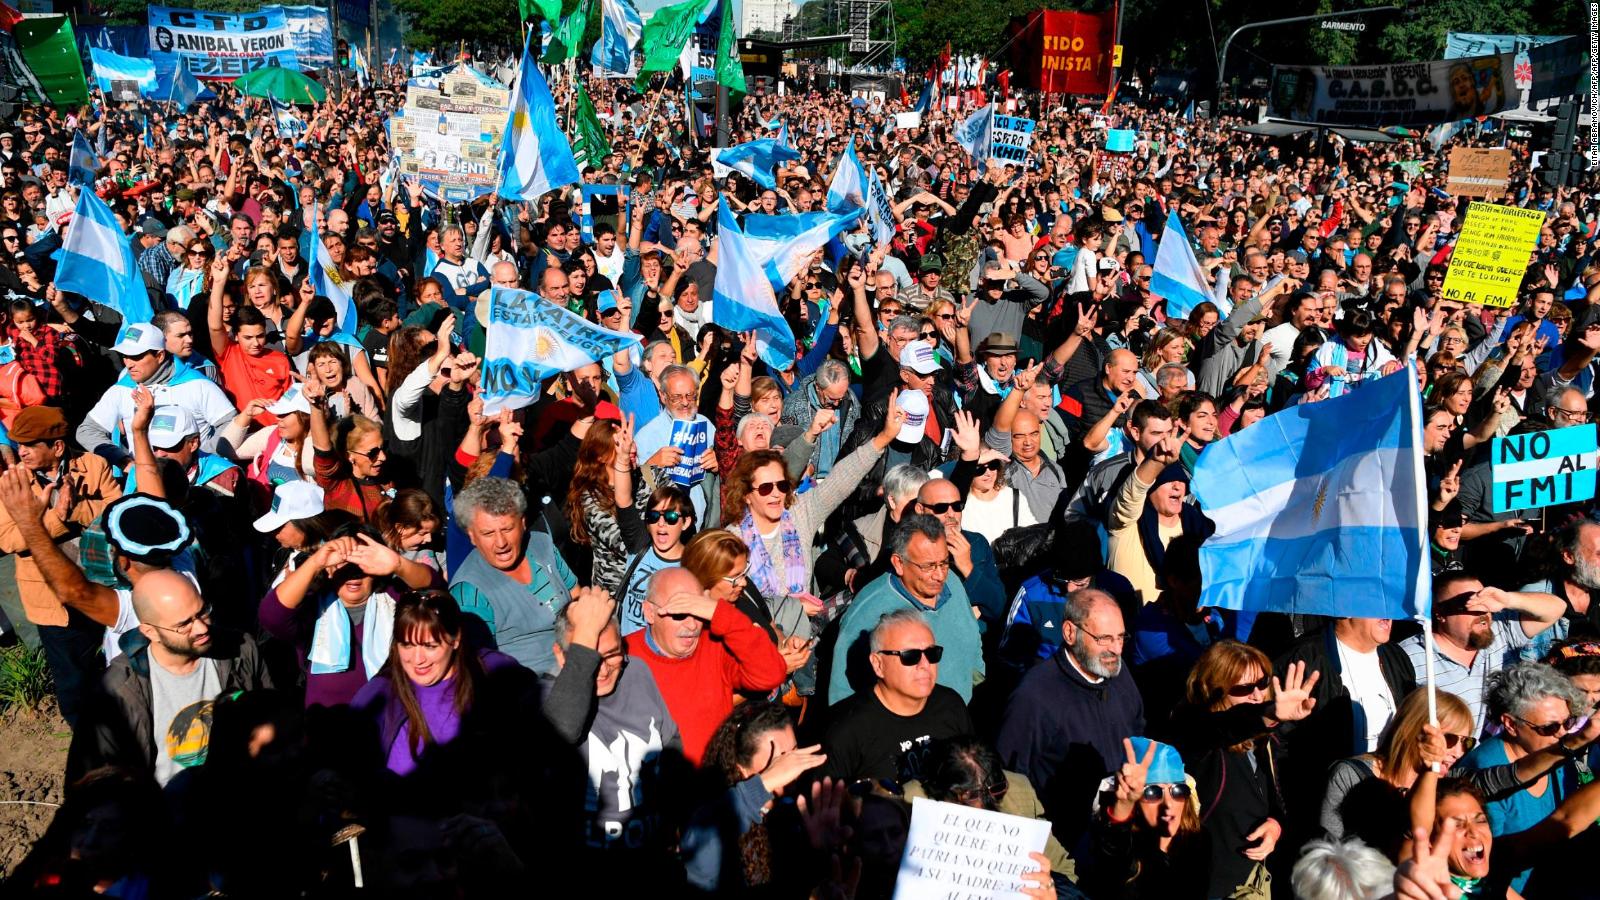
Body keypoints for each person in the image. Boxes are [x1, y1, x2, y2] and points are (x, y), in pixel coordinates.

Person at [70, 570, 273, 785]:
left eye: (203, 611)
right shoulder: (117, 692)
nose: (202, 627)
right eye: (184, 624)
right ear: (150, 632)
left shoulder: (240, 650)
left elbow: (272, 716)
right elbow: (92, 783)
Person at [543, 584, 683, 863]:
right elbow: (563, 731)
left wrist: (675, 816)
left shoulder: (637, 671)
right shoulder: (545, 696)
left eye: (611, 654)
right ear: (561, 655)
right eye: (590, 658)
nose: (604, 670)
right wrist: (586, 634)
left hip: (652, 857)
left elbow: (670, 741)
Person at [0, 405, 123, 724]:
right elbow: (10, 539)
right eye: (18, 444)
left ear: (56, 446)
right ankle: (85, 739)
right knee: (72, 680)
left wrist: (78, 509)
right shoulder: (13, 483)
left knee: (115, 665)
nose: (21, 452)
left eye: (30, 444)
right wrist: (58, 516)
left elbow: (117, 512)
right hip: (53, 600)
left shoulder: (93, 466)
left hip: (101, 586)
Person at [1169, 641, 1320, 899]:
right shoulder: (1198, 738)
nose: (1257, 695)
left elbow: (1277, 800)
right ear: (1213, 691)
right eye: (1243, 688)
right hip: (1211, 886)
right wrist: (1267, 715)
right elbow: (1222, 726)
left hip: (1255, 880)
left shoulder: (1265, 741)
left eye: (1262, 683)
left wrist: (1276, 824)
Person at [999, 588, 1145, 849]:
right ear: (1069, 632)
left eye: (1121, 638)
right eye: (1104, 638)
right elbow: (1009, 777)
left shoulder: (1120, 676)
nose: (1115, 649)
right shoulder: (1034, 696)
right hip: (1062, 844)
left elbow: (1137, 733)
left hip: (1118, 829)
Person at [259, 523, 439, 708]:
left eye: (363, 565)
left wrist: (398, 564)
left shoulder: (396, 600)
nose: (353, 575)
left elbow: (436, 591)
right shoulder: (314, 610)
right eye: (345, 565)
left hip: (393, 729)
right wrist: (315, 563)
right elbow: (271, 615)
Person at [351, 589, 525, 776]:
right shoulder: (377, 696)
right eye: (407, 645)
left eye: (430, 646)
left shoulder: (496, 673)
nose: (418, 659)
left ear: (455, 639)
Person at [624, 566, 785, 764]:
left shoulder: (715, 646)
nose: (692, 626)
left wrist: (720, 613)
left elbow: (771, 674)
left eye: (699, 614)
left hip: (716, 785)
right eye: (680, 614)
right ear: (649, 612)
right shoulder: (622, 655)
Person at [1454, 662, 1586, 893]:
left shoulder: (1558, 758)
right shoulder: (1484, 768)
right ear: (1511, 724)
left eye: (1568, 723)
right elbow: (1484, 866)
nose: (1562, 734)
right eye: (1548, 727)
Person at [829, 514, 985, 704]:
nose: (939, 575)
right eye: (928, 566)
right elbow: (843, 692)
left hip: (960, 718)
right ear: (899, 563)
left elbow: (972, 639)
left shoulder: (951, 582)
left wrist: (977, 685)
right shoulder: (869, 611)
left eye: (944, 563)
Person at [1399, 572, 1565, 734]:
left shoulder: (1500, 631)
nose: (1482, 612)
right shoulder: (1409, 658)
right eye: (1470, 604)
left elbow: (1557, 608)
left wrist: (1506, 600)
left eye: (1485, 602)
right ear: (1440, 614)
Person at [823, 608, 973, 786]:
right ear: (878, 664)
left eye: (932, 654)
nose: (925, 665)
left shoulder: (951, 705)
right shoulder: (845, 729)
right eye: (910, 656)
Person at [449, 476, 578, 675]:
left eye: (507, 529)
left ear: (523, 523)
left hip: (577, 663)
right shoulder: (470, 591)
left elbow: (577, 597)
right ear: (472, 536)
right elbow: (477, 665)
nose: (501, 543)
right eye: (488, 533)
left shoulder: (541, 545)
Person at [1320, 689, 1474, 855]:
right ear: (1413, 730)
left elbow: (1486, 781)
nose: (1458, 753)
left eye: (1466, 742)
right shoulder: (1350, 775)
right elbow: (1328, 848)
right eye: (1449, 739)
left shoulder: (1446, 783)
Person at [1083, 737, 1212, 900]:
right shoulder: (1123, 845)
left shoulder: (1198, 839)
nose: (1168, 805)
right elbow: (1113, 855)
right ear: (1135, 801)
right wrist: (1123, 806)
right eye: (1153, 793)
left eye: (1178, 790)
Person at [616, 485, 694, 636]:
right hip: (628, 651)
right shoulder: (639, 545)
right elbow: (623, 500)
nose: (661, 523)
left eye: (671, 517)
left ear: (685, 522)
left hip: (664, 654)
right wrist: (622, 463)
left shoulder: (693, 566)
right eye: (654, 516)